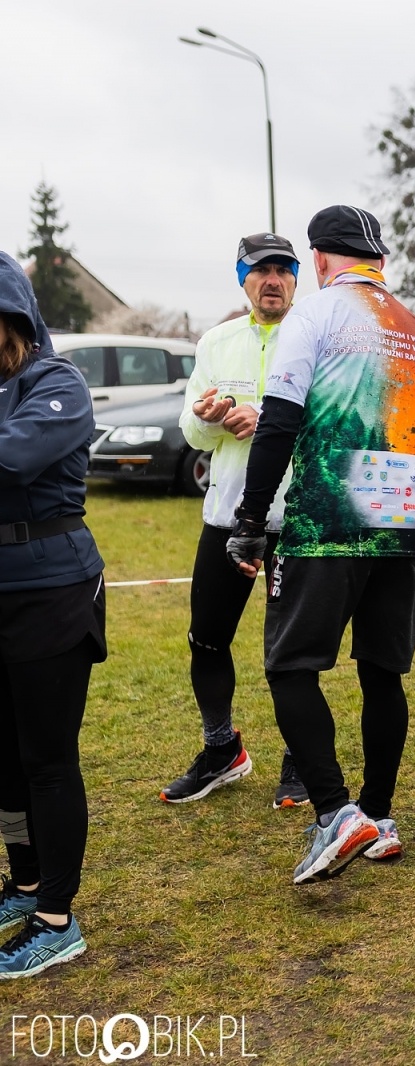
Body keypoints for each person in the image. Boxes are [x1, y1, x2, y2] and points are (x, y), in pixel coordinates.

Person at [227, 205, 415, 884]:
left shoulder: (316, 315)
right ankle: (378, 816)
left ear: (320, 259)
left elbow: (280, 422)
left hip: (330, 515)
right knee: (382, 672)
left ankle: (334, 812)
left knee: (290, 667)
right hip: (403, 511)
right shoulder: (414, 327)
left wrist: (249, 518)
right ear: (377, 258)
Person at [161, 233, 309, 808]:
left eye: (283, 269)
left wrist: (267, 416)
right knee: (207, 639)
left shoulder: (314, 337)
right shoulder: (217, 341)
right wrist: (211, 418)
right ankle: (221, 749)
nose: (272, 280)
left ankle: (302, 758)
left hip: (294, 520)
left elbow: (328, 421)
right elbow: (194, 432)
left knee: (292, 651)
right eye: (259, 270)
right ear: (242, 278)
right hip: (226, 518)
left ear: (297, 277)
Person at [0, 250, 107, 977]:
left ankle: (56, 918)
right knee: (3, 762)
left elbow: (12, 457)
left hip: (53, 592)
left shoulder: (57, 383)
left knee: (46, 760)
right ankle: (26, 880)